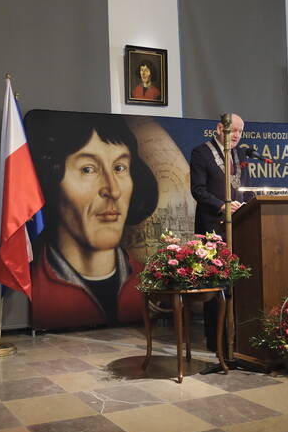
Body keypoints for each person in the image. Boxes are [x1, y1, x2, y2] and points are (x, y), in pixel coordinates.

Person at [26, 111, 159, 329]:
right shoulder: (31, 284)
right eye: (88, 169)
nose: (113, 190)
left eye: (119, 168)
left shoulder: (149, 283)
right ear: (52, 179)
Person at [189, 113, 250, 351]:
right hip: (211, 225)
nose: (236, 135)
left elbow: (243, 187)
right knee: (216, 284)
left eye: (240, 131)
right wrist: (222, 205)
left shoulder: (241, 154)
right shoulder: (201, 153)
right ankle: (216, 340)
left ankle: (237, 335)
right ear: (218, 128)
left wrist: (246, 206)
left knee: (237, 281)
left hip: (240, 224)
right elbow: (198, 190)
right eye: (232, 130)